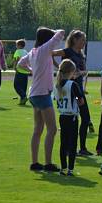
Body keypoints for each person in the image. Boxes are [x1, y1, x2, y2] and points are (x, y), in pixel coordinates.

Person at [18, 27, 65, 172]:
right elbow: (61, 33)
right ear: (46, 39)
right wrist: (53, 31)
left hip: (34, 93)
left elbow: (20, 63)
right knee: (52, 129)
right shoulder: (45, 49)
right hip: (43, 94)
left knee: (38, 129)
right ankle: (48, 163)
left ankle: (34, 162)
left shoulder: (33, 52)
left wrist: (32, 71)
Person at [53, 30, 93, 155]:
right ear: (74, 40)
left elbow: (84, 70)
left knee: (85, 118)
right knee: (72, 120)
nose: (84, 43)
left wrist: (81, 73)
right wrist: (61, 70)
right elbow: (50, 54)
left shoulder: (81, 54)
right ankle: (71, 148)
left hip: (78, 89)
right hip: (70, 90)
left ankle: (82, 148)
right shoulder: (68, 51)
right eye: (82, 40)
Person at [54, 59, 85, 176]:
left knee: (63, 143)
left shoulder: (57, 85)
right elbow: (81, 101)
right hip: (72, 117)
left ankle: (63, 168)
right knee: (72, 144)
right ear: (71, 71)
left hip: (62, 116)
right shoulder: (73, 84)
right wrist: (76, 99)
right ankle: (70, 169)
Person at [12, 39, 30, 105]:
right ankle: (22, 101)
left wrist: (14, 67)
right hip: (26, 72)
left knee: (16, 86)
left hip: (19, 71)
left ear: (19, 45)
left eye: (16, 45)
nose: (16, 46)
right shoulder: (26, 52)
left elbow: (16, 59)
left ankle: (24, 96)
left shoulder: (18, 51)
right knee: (23, 87)